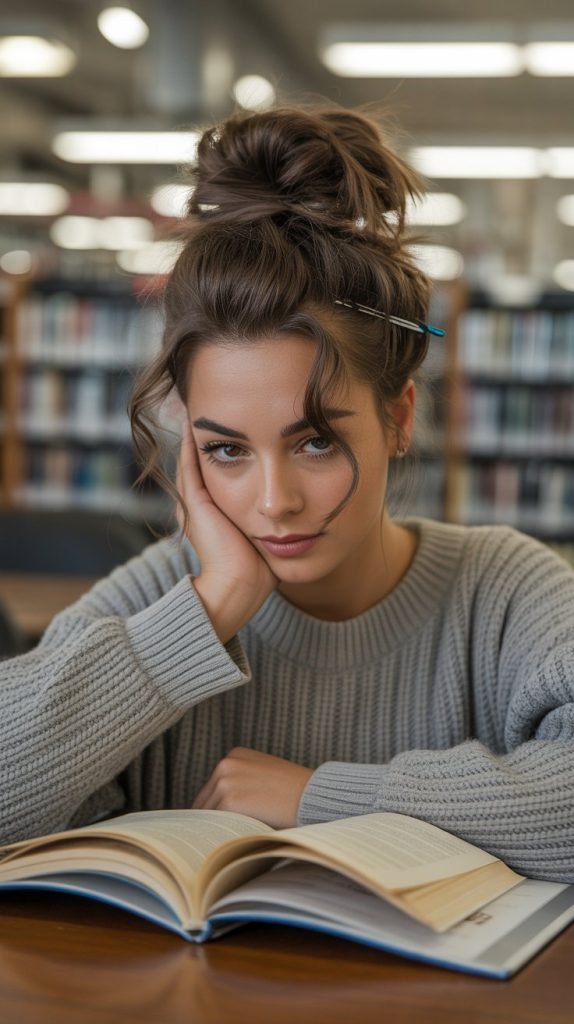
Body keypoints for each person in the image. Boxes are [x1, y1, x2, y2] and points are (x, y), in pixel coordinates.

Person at [1, 103, 574, 884]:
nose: (274, 501)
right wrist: (212, 607)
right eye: (227, 450)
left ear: (398, 417)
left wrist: (322, 798)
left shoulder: (503, 596)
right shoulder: (162, 600)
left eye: (315, 441)